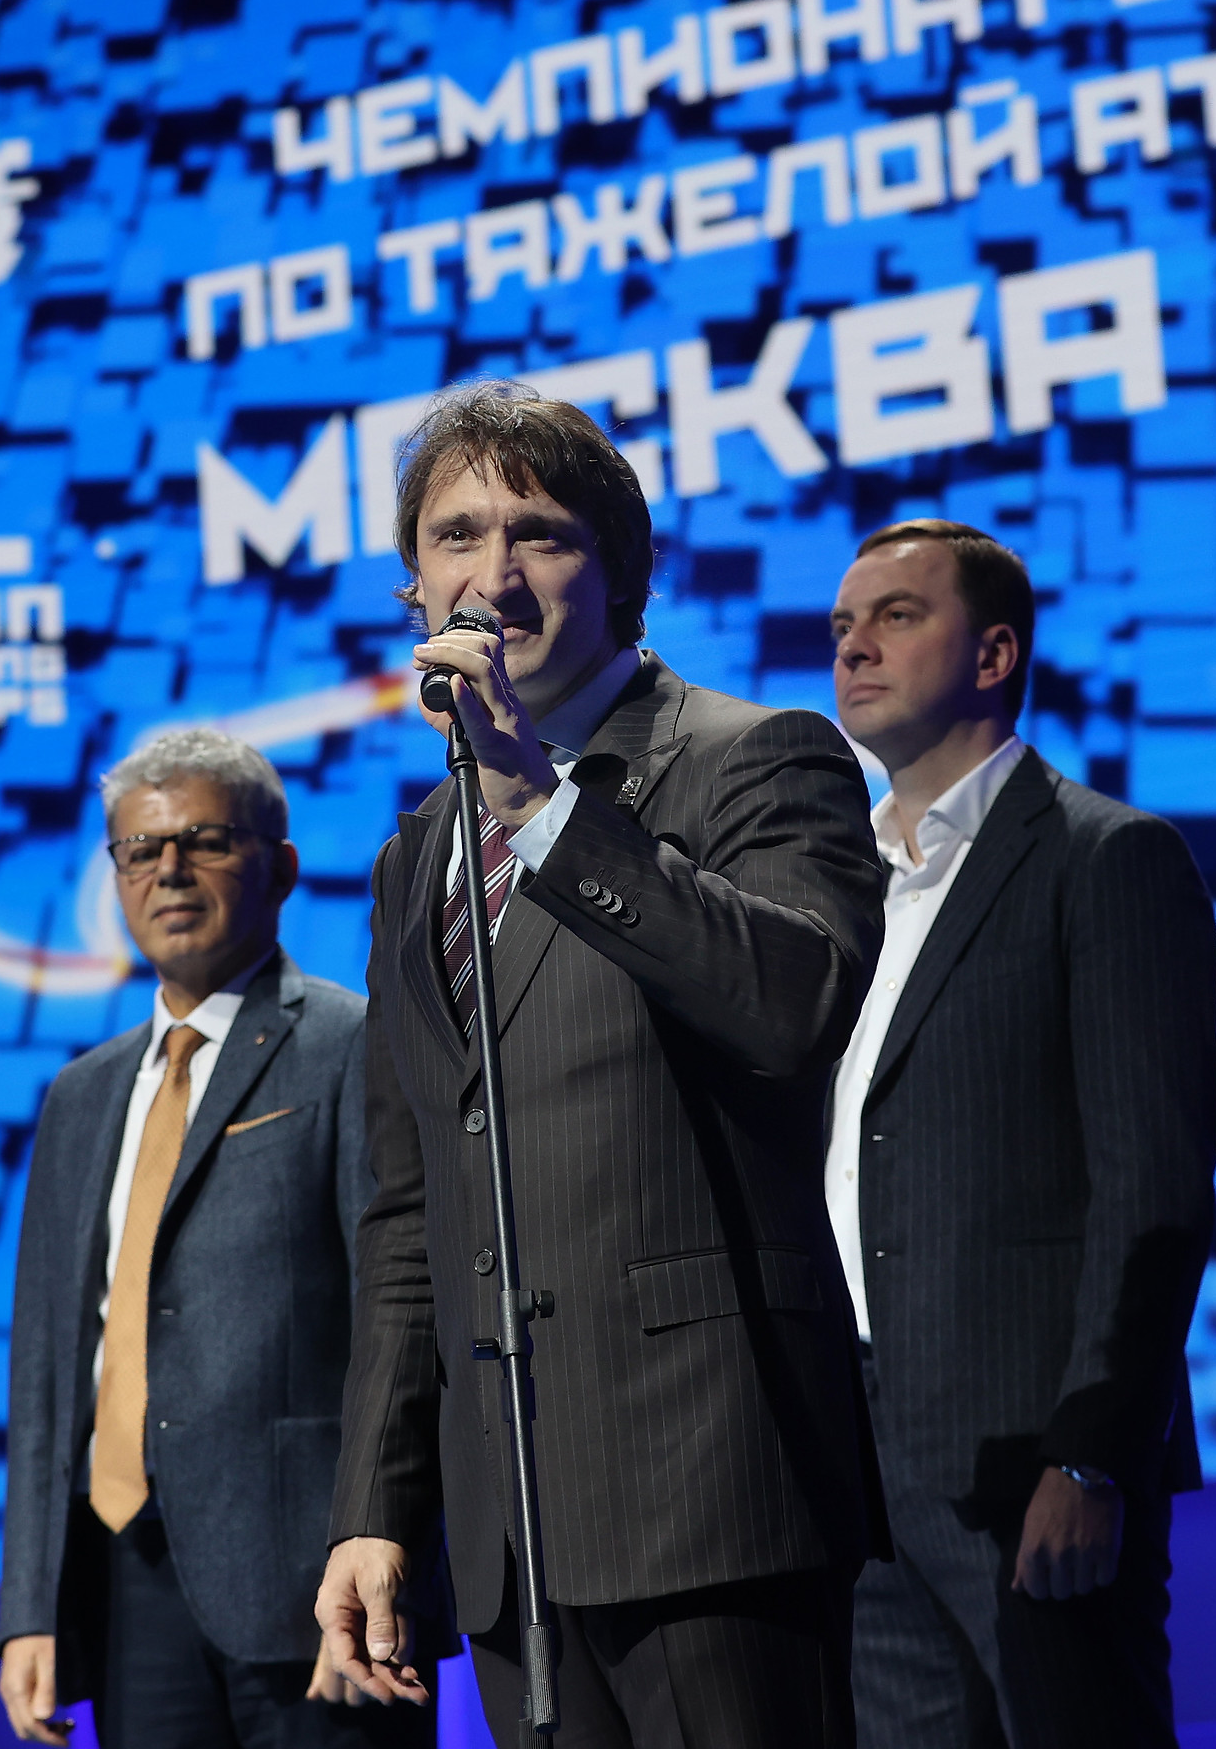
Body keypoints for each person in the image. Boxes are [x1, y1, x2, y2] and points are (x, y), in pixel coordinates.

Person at [317, 385, 887, 1749]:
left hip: (712, 1485)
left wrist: (543, 805)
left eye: (541, 534)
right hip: (511, 1527)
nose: (494, 574)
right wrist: (375, 1508)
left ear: (622, 573)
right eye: (458, 535)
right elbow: (412, 1208)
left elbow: (792, 1003)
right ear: (415, 586)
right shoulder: (414, 855)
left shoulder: (758, 758)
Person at [821, 521, 1216, 1747]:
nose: (854, 648)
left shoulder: (1107, 857)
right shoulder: (833, 889)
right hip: (855, 1452)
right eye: (842, 626)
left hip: (1031, 1453)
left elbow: (1152, 1191)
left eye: (896, 615)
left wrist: (1094, 1453)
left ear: (994, 654)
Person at [0, 729, 443, 1748]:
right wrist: (29, 1604)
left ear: (280, 866)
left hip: (313, 1589)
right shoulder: (80, 1093)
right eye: (140, 848)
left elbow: (401, 1321)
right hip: (126, 1579)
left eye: (204, 840)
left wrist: (377, 1549)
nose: (169, 869)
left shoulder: (353, 1042)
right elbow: (46, 1369)